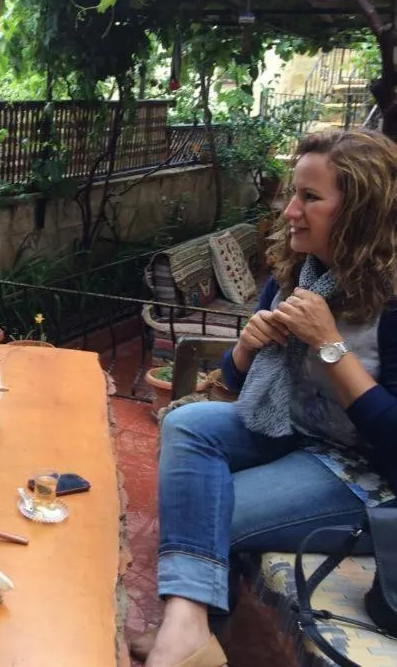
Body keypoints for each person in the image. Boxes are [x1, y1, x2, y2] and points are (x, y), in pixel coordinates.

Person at [143, 129, 397, 667]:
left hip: (367, 474)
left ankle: (189, 632)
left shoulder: (391, 305)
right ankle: (190, 629)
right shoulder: (297, 276)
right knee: (188, 426)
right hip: (295, 432)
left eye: (310, 197)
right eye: (293, 194)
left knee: (212, 510)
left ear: (361, 211)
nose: (289, 211)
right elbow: (236, 390)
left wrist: (329, 345)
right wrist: (244, 348)